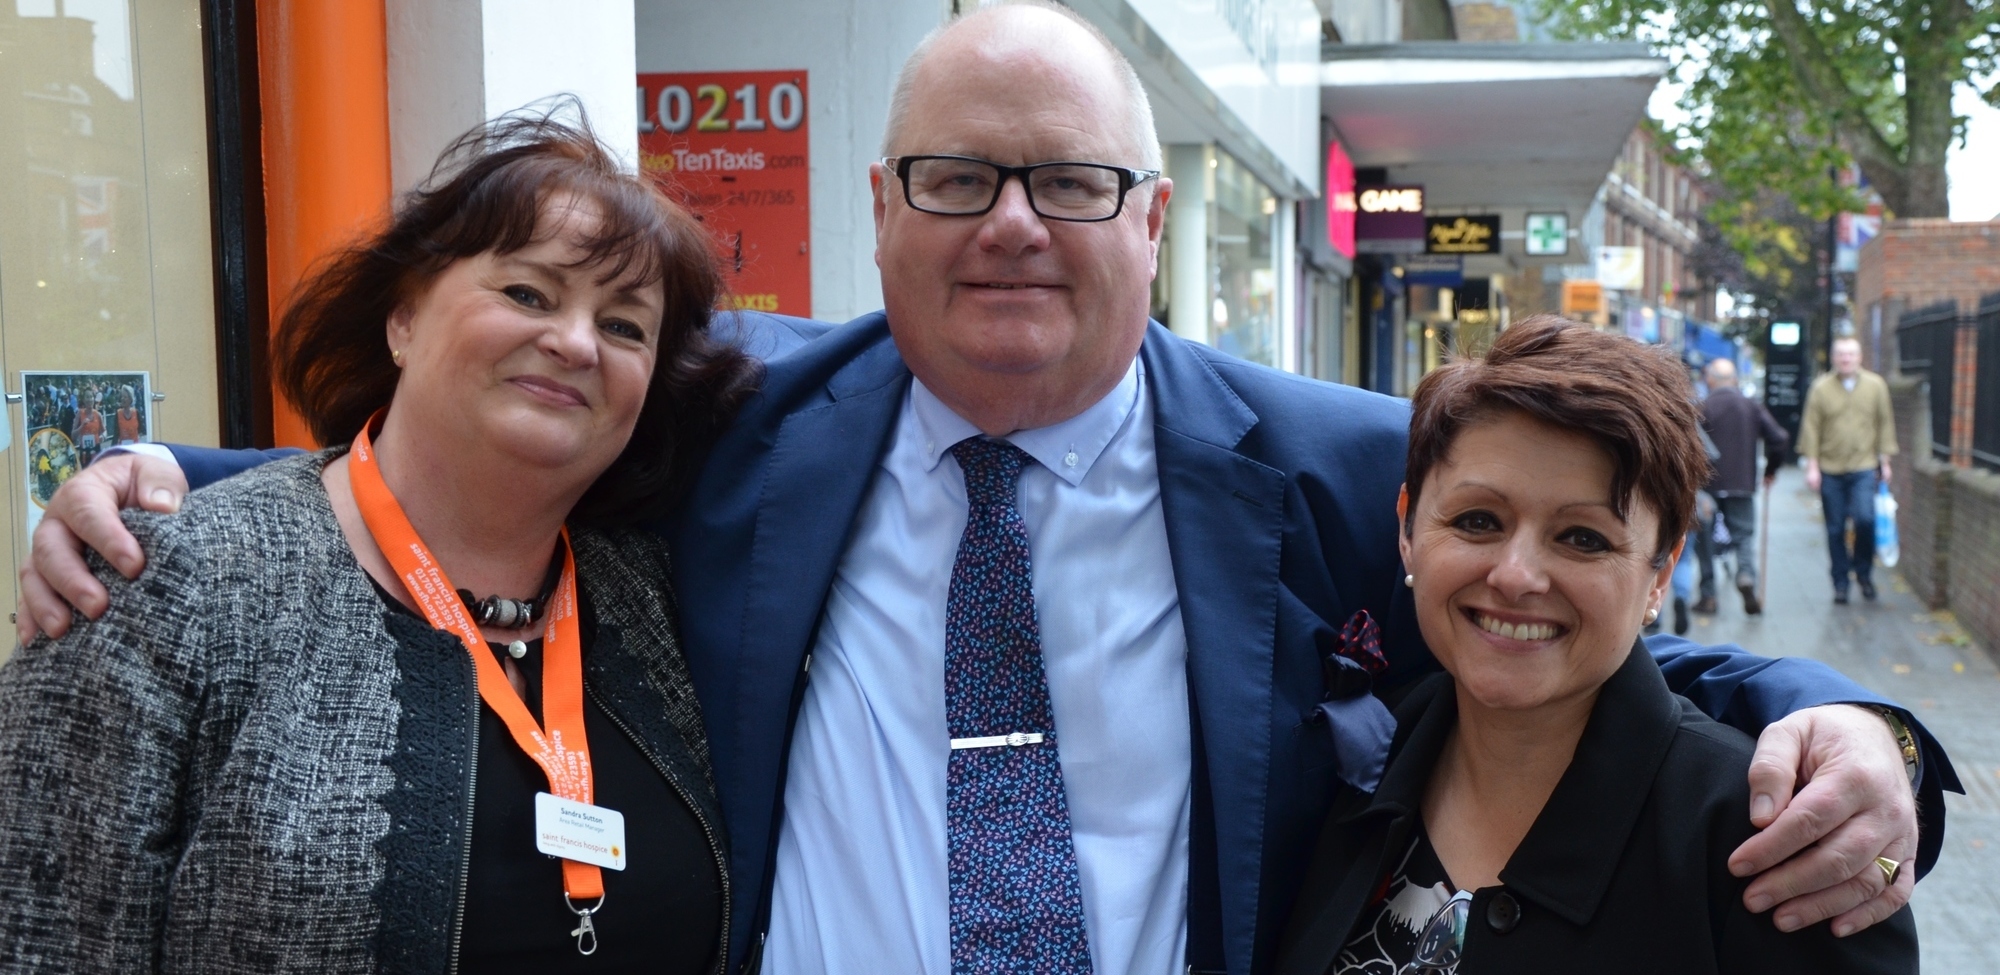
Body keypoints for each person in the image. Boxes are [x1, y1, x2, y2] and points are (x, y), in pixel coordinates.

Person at [17, 5, 1953, 973]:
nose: (1013, 226)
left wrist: (1845, 720)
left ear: (1154, 211)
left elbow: (1567, 613)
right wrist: (173, 485)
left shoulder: (1334, 462)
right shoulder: (740, 412)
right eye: (957, 178)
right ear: (881, 211)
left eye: (1070, 183)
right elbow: (473, 447)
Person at [0, 114, 753, 971]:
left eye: (625, 325)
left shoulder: (657, 593)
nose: (576, 341)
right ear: (402, 319)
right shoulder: (174, 581)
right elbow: (40, 934)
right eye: (529, 294)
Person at [1276, 318, 1915, 974]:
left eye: (1583, 537)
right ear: (1408, 527)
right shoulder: (1356, 762)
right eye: (1478, 520)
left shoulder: (1785, 848)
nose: (1516, 574)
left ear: (1660, 572)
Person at [1799, 336, 1897, 603]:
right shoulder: (1820, 388)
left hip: (1864, 467)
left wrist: (1885, 462)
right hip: (1831, 468)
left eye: (1851, 354)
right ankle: (1840, 582)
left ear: (1860, 357)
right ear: (1833, 358)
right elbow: (1811, 428)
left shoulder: (1876, 386)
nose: (1845, 359)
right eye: (1841, 354)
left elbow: (1884, 424)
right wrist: (1812, 466)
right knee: (1835, 529)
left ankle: (1864, 573)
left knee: (1865, 520)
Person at [1697, 357, 1789, 615]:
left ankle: (1708, 596)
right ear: (1735, 380)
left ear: (1711, 379)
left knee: (1703, 540)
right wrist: (1770, 470)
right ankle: (1746, 576)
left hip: (1707, 487)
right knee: (1743, 536)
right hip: (1741, 484)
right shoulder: (1751, 406)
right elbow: (1779, 438)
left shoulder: (1703, 407)